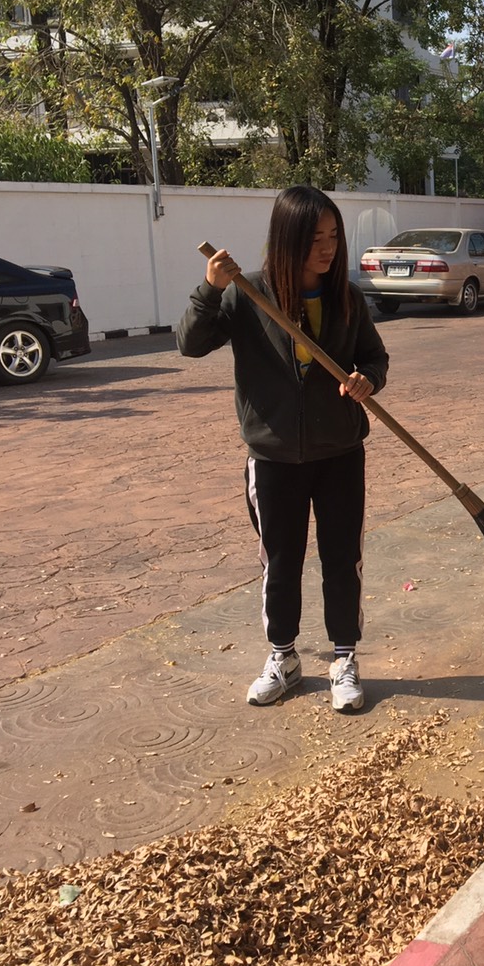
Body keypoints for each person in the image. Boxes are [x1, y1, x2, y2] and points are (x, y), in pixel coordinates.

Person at [177, 185, 389, 714]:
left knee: (343, 558)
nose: (328, 248)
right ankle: (284, 657)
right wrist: (208, 289)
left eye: (334, 236)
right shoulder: (247, 294)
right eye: (315, 238)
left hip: (339, 451)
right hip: (272, 458)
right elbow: (190, 343)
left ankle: (343, 658)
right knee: (280, 561)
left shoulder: (348, 297)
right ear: (286, 238)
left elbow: (375, 359)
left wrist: (367, 381)